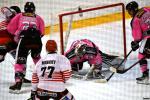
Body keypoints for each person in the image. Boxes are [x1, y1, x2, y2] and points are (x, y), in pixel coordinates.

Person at [7, 2, 45, 93]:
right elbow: (42, 32)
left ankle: (18, 83)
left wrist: (17, 35)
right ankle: (44, 79)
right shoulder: (38, 17)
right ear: (34, 9)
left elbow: (10, 29)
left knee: (20, 61)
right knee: (37, 59)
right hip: (37, 40)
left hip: (24, 40)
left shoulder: (19, 16)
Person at [126, 1, 150, 84]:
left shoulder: (135, 20)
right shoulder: (146, 9)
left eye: (129, 11)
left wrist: (135, 43)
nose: (129, 13)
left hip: (149, 38)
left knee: (141, 55)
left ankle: (145, 76)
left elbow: (138, 37)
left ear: (131, 10)